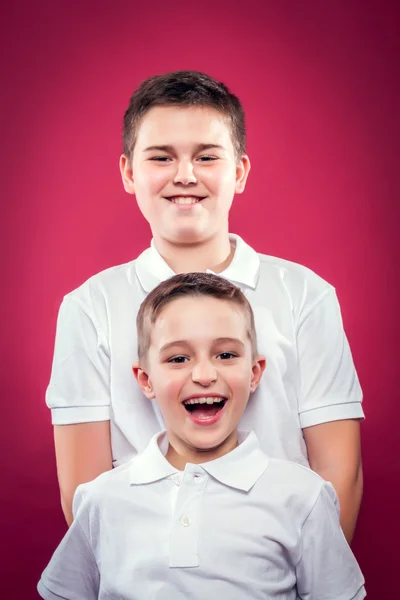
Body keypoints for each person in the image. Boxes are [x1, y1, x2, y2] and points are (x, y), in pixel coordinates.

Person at [47, 70, 364, 541]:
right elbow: (84, 494)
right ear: (129, 173)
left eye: (206, 156)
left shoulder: (306, 295)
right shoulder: (89, 307)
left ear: (238, 172)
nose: (185, 175)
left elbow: (342, 475)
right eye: (161, 157)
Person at [38, 273, 366, 600]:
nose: (205, 375)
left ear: (254, 373)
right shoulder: (100, 499)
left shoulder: (304, 497)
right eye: (178, 358)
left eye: (226, 355)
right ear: (145, 379)